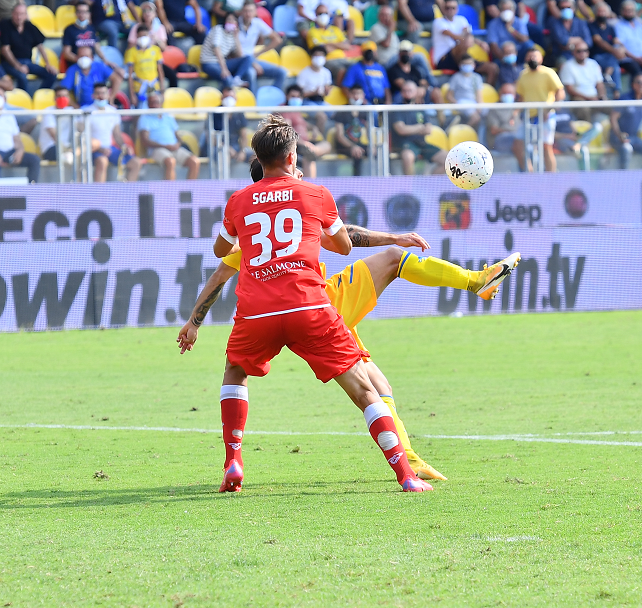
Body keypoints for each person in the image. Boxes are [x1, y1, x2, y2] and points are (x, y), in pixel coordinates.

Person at [179, 160, 520, 481]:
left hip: (311, 306)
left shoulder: (260, 230)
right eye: (294, 169)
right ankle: (476, 281)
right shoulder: (296, 208)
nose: (298, 174)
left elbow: (222, 269)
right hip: (321, 305)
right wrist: (392, 238)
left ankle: (411, 461)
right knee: (392, 262)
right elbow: (343, 238)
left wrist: (194, 322)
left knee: (376, 381)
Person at [207, 114, 435, 494]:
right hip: (308, 306)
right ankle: (405, 476)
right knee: (364, 390)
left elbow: (220, 249)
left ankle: (233, 460)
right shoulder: (315, 194)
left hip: (257, 310)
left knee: (235, 371)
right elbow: (344, 245)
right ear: (293, 158)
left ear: (258, 160)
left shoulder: (238, 201)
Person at [0, 86, 41, 182]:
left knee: (34, 160)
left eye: (0, 95)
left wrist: (20, 151)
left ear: (4, 99)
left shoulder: (9, 115)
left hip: (8, 152)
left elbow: (16, 137)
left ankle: (32, 191)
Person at [514, 47, 565, 172]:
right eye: (530, 56)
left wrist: (550, 109)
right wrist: (514, 113)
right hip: (527, 116)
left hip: (545, 116)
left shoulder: (548, 73)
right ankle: (530, 174)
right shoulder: (523, 75)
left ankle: (550, 176)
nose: (532, 59)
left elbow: (560, 91)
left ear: (541, 58)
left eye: (535, 56)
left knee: (545, 147)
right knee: (517, 146)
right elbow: (521, 96)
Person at [433, 0, 497, 84]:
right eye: (447, 8)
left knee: (493, 68)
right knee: (463, 42)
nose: (450, 10)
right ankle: (467, 65)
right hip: (444, 59)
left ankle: (485, 93)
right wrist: (469, 40)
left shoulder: (461, 20)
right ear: (443, 9)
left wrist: (480, 42)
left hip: (461, 57)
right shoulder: (438, 22)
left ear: (457, 9)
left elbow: (467, 34)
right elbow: (454, 37)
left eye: (453, 8)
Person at [86, 82, 141, 182]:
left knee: (135, 163)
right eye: (98, 93)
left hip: (110, 149)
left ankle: (128, 195)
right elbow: (83, 137)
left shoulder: (113, 112)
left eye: (103, 93)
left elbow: (117, 134)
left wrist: (124, 146)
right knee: (102, 162)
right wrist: (99, 149)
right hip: (93, 150)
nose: (100, 96)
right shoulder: (86, 112)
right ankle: (99, 195)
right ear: (93, 95)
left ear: (108, 95)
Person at [138, 91, 199, 180]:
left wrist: (178, 144)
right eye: (151, 103)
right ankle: (170, 193)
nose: (154, 105)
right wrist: (165, 146)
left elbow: (177, 136)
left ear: (161, 103)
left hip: (174, 148)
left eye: (156, 102)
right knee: (171, 161)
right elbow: (145, 141)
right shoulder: (144, 118)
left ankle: (189, 191)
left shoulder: (169, 117)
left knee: (195, 162)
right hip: (157, 149)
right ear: (148, 104)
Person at [0, 3, 57, 93]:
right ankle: (23, 102)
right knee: (22, 76)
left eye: (21, 14)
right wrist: (18, 66)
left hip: (27, 62)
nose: (19, 17)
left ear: (26, 15)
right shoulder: (5, 25)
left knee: (51, 74)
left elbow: (40, 46)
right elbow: (5, 50)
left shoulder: (30, 26)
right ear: (12, 14)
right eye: (16, 14)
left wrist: (48, 64)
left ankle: (38, 98)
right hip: (8, 63)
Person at [609, 73, 642, 169]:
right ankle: (623, 178)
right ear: (633, 84)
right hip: (617, 138)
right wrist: (619, 134)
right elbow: (613, 118)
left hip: (634, 138)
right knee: (627, 148)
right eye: (639, 82)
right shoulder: (625, 99)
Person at [392, 80, 446, 175]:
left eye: (410, 90)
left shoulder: (420, 109)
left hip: (421, 144)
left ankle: (430, 184)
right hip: (404, 144)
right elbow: (401, 129)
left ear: (416, 91)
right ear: (401, 92)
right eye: (405, 91)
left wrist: (411, 129)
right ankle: (408, 188)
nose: (407, 93)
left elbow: (428, 129)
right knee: (408, 156)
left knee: (448, 159)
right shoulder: (397, 109)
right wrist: (419, 127)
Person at [284, 84, 331, 177]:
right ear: (287, 96)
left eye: (298, 97)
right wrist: (303, 143)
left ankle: (313, 151)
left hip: (307, 144)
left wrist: (314, 128)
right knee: (309, 158)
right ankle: (311, 152)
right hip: (296, 145)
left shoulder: (298, 111)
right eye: (293, 96)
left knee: (327, 145)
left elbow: (304, 124)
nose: (295, 99)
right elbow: (287, 132)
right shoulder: (285, 111)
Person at [238, 1, 286, 91]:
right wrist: (252, 63)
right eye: (246, 11)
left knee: (282, 72)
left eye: (251, 11)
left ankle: (272, 97)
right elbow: (233, 51)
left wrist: (259, 53)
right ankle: (253, 103)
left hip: (252, 58)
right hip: (239, 61)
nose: (248, 14)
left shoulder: (257, 23)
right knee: (251, 73)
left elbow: (277, 39)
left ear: (255, 12)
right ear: (241, 11)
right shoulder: (235, 24)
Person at [201, 13, 253, 89]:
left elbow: (240, 55)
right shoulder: (218, 29)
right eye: (229, 19)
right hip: (209, 63)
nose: (231, 22)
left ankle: (237, 79)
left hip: (221, 63)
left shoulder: (232, 35)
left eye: (233, 20)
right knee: (227, 78)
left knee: (248, 59)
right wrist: (224, 69)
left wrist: (236, 38)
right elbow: (216, 49)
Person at [559, 42, 606, 121]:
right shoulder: (567, 66)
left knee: (615, 108)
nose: (582, 53)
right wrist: (589, 98)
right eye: (579, 51)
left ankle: (619, 133)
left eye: (585, 50)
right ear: (573, 52)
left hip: (595, 96)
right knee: (584, 109)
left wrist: (602, 96)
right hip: (577, 98)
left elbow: (600, 84)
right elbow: (570, 90)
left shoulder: (593, 63)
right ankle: (588, 132)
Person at [333, 84, 371, 175]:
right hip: (344, 146)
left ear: (363, 96)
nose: (356, 96)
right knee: (358, 154)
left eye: (359, 94)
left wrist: (372, 146)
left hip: (360, 144)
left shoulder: (365, 111)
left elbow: (370, 130)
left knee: (379, 153)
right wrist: (352, 146)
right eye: (354, 93)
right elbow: (340, 136)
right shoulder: (341, 111)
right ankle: (357, 184)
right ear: (349, 94)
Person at [125, 24, 166, 108]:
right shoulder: (131, 52)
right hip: (139, 88)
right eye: (140, 36)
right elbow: (130, 74)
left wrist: (162, 91)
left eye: (145, 35)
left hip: (154, 87)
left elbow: (160, 71)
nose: (143, 38)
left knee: (156, 110)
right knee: (140, 113)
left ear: (149, 36)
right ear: (136, 36)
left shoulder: (156, 49)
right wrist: (132, 95)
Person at [388, 40, 440, 105]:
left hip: (417, 93)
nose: (405, 54)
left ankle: (441, 114)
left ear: (411, 54)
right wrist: (417, 90)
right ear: (399, 54)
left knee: (436, 92)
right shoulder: (394, 69)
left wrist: (423, 89)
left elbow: (424, 82)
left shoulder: (415, 69)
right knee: (409, 92)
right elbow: (403, 85)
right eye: (403, 52)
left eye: (407, 52)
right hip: (401, 95)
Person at [546, 0, 593, 65]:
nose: (566, 9)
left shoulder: (581, 22)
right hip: (562, 55)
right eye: (563, 8)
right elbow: (562, 41)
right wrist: (580, 40)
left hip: (581, 55)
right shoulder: (554, 22)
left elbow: (589, 41)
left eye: (568, 7)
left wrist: (571, 46)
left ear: (573, 9)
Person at [486, 0, 534, 64]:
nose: (507, 11)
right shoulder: (493, 24)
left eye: (509, 9)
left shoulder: (519, 22)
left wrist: (510, 29)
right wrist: (503, 59)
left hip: (518, 53)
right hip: (502, 54)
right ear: (499, 10)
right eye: (504, 9)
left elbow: (525, 39)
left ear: (514, 10)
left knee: (529, 44)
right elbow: (493, 45)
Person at [589, 2, 623, 94]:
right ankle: (608, 77)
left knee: (615, 66)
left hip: (609, 56)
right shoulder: (592, 26)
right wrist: (615, 51)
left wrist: (620, 48)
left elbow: (617, 41)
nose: (602, 14)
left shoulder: (610, 27)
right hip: (596, 56)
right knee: (614, 64)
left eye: (604, 11)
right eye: (600, 11)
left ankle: (616, 93)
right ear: (596, 13)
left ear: (608, 13)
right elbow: (599, 41)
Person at [62, 2, 108, 68]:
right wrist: (81, 61)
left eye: (85, 12)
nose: (82, 14)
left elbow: (97, 48)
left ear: (89, 14)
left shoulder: (92, 28)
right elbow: (66, 53)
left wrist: (105, 60)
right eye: (79, 11)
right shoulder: (69, 30)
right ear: (75, 13)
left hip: (91, 65)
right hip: (76, 66)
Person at [445, 53, 483, 127]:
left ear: (473, 65)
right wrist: (457, 103)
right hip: (461, 102)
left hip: (473, 102)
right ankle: (464, 131)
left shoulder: (477, 77)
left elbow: (479, 94)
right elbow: (449, 95)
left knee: (488, 113)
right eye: (465, 64)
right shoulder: (456, 77)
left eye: (469, 64)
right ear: (460, 65)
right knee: (475, 118)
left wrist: (479, 106)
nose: (467, 66)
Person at [39, 86, 75, 162]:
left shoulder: (71, 111)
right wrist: (66, 150)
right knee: (69, 157)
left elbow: (81, 127)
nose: (62, 98)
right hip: (50, 148)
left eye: (65, 96)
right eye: (59, 96)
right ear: (54, 98)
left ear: (69, 98)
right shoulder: (48, 111)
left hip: (67, 147)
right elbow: (54, 135)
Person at [487, 82, 519, 153]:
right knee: (517, 140)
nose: (507, 95)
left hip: (517, 138)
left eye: (510, 93)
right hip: (499, 140)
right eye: (504, 93)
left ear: (514, 95)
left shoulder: (518, 107)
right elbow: (494, 130)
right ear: (500, 95)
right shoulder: (494, 108)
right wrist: (511, 131)